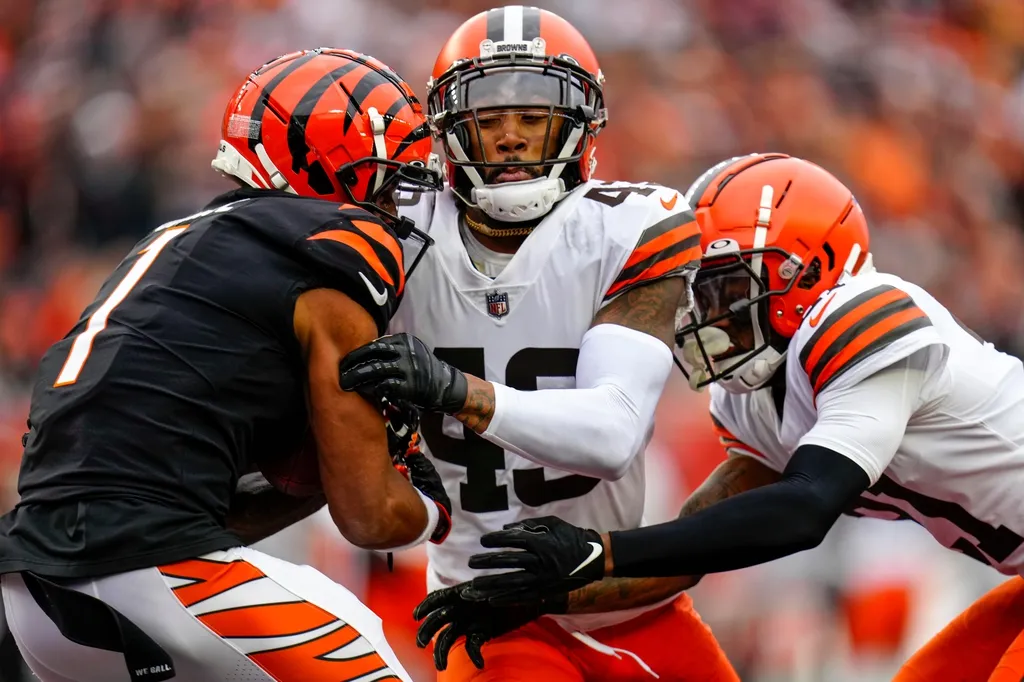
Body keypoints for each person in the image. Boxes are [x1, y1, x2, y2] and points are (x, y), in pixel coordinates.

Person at [437, 153, 1024, 682]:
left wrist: (598, 549)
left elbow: (804, 508)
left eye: (719, 287)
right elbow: (691, 551)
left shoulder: (864, 317)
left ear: (803, 273)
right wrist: (532, 595)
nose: (698, 314)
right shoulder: (752, 394)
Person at [0, 48, 451, 682]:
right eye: (390, 172)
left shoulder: (181, 241)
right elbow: (370, 517)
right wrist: (439, 505)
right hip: (153, 573)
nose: (398, 199)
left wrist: (322, 471)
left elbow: (207, 510)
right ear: (334, 162)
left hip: (37, 593)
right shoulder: (334, 249)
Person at [339, 6, 738, 681]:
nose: (512, 138)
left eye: (533, 116)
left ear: (580, 123)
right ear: (448, 130)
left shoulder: (629, 226)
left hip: (628, 601)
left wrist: (450, 390)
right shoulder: (392, 229)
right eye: (489, 119)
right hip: (487, 608)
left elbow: (611, 436)